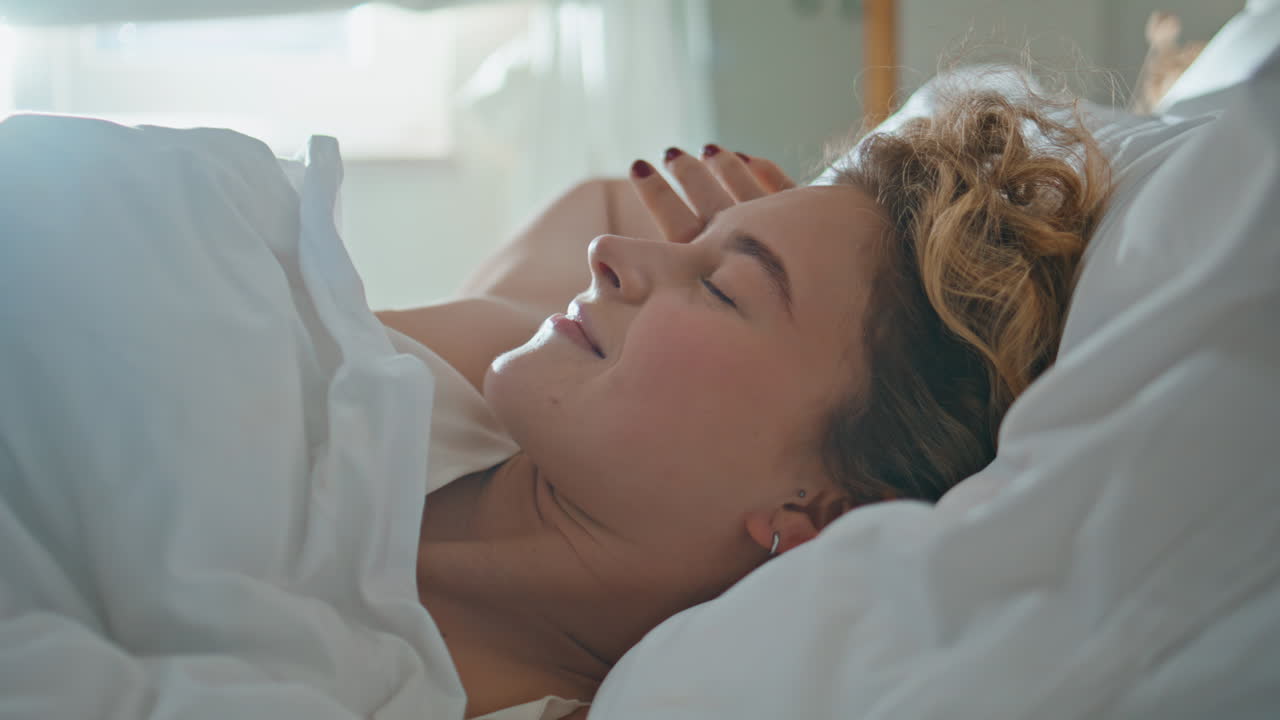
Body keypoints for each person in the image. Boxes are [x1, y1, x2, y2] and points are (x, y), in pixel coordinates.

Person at [376, 85, 1111, 719]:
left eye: (723, 290)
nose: (609, 252)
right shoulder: (475, 360)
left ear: (823, 513)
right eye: (695, 243)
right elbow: (602, 199)